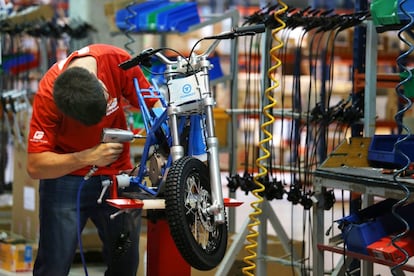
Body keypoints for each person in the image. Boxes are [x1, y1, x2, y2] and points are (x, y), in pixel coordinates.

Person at [26, 44, 157, 276]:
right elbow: (35, 165)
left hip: (117, 175)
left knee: (125, 264)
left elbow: (153, 105)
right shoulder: (48, 95)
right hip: (65, 181)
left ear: (100, 83)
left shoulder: (117, 61)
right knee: (54, 266)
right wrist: (87, 156)